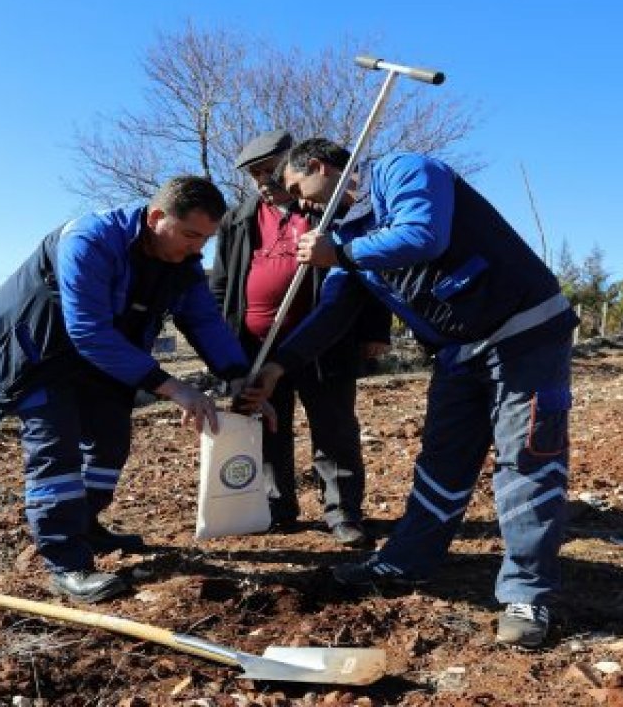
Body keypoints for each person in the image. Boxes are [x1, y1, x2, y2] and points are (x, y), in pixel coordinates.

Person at [243, 138, 578, 648]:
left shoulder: (404, 171)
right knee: (441, 460)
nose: (298, 203)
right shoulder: (347, 234)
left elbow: (423, 234)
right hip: (457, 352)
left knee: (527, 459)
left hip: (524, 334)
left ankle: (527, 593)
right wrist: (279, 366)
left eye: (297, 188)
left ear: (317, 166)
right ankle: (406, 562)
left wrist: (343, 253)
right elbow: (333, 311)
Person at [0, 176, 265, 604]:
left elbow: (202, 320)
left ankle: (84, 525)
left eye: (207, 239)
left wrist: (237, 373)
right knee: (57, 450)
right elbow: (87, 328)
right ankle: (67, 563)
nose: (198, 249)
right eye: (191, 235)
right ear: (158, 217)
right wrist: (171, 386)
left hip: (98, 355)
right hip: (34, 353)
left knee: (109, 441)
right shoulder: (89, 238)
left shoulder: (181, 261)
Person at [211, 129, 391, 548]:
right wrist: (225, 346)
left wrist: (375, 330)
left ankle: (343, 512)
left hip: (324, 343)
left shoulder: (328, 211)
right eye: (254, 175)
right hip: (256, 347)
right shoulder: (237, 220)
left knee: (335, 429)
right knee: (270, 428)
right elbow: (221, 287)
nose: (262, 183)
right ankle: (277, 507)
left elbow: (365, 269)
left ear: (292, 166)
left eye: (268, 172)